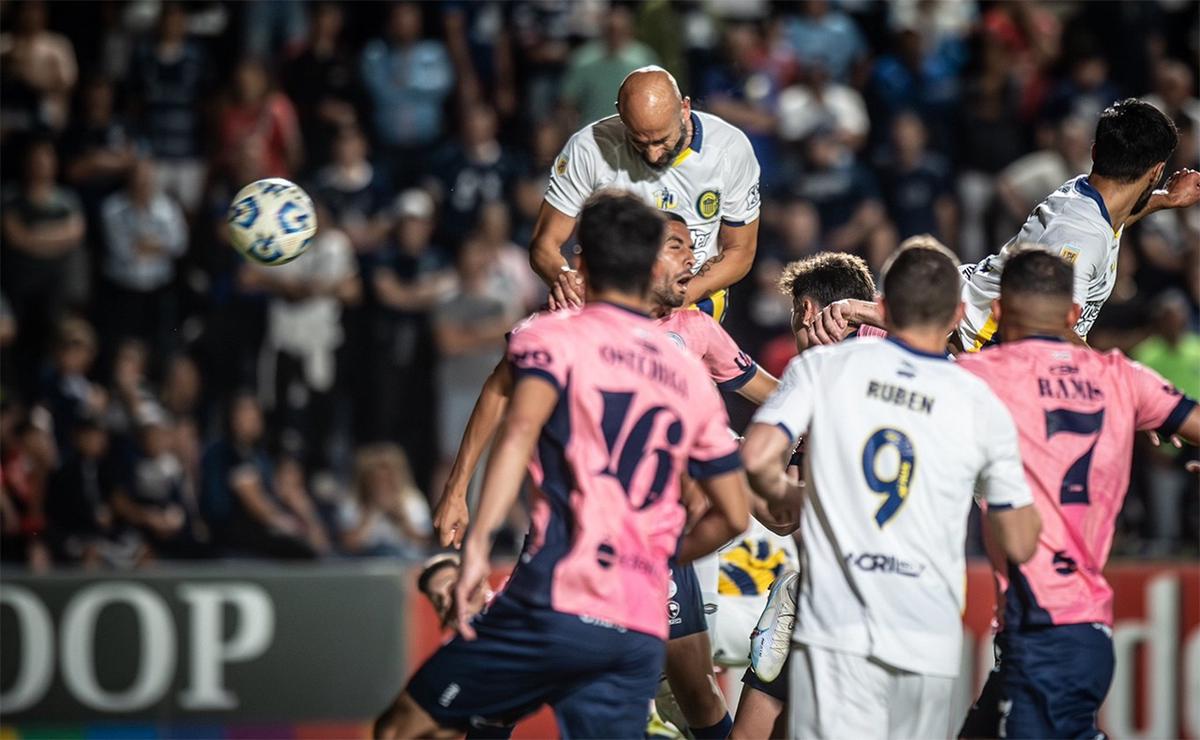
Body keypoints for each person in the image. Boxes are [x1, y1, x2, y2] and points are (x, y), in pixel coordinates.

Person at [374, 192, 752, 739]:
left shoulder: (553, 334)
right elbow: (731, 513)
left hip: (558, 596)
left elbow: (519, 430)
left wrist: (477, 546)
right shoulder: (683, 367)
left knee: (403, 728)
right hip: (637, 621)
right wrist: (652, 556)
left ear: (583, 262)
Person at [740, 241, 1042, 739]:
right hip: (927, 630)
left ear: (884, 307)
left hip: (835, 616)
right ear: (959, 314)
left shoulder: (823, 368)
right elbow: (1019, 537)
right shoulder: (978, 399)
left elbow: (756, 460)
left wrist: (807, 504)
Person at [956, 248, 1200, 739]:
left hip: (1046, 625)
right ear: (1073, 315)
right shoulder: (1123, 377)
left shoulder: (977, 377)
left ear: (999, 311)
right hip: (1075, 624)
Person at [808, 99, 1200, 351]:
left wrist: (1168, 199)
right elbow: (1047, 327)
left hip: (962, 316)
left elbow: (1118, 215)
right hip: (965, 344)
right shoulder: (1079, 238)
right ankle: (858, 314)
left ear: (1096, 152)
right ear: (1156, 170)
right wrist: (1120, 386)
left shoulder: (1085, 192)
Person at [731, 251, 883, 740]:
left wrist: (724, 459)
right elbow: (785, 516)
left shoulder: (821, 373)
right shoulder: (915, 357)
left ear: (807, 311)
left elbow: (783, 510)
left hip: (845, 592)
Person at [531, 66, 761, 321]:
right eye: (639, 142)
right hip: (611, 308)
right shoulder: (588, 149)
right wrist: (564, 279)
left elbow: (741, 251)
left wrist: (676, 298)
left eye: (662, 140)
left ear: (684, 109)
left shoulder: (730, 150)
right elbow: (544, 245)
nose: (653, 154)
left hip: (692, 307)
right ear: (621, 114)